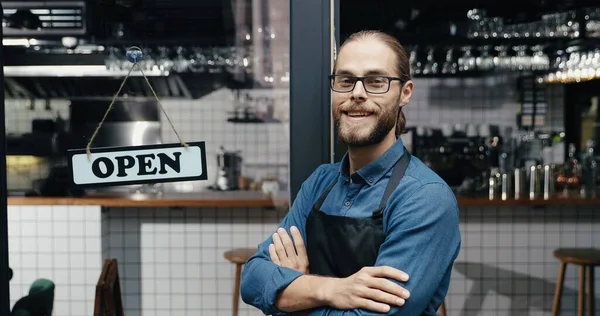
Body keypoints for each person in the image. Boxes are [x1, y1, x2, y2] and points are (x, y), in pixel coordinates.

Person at [240, 30, 461, 315]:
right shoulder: (320, 182)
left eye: (376, 81)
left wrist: (295, 291)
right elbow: (253, 278)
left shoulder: (424, 198)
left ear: (405, 93)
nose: (357, 93)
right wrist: (332, 290)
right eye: (346, 80)